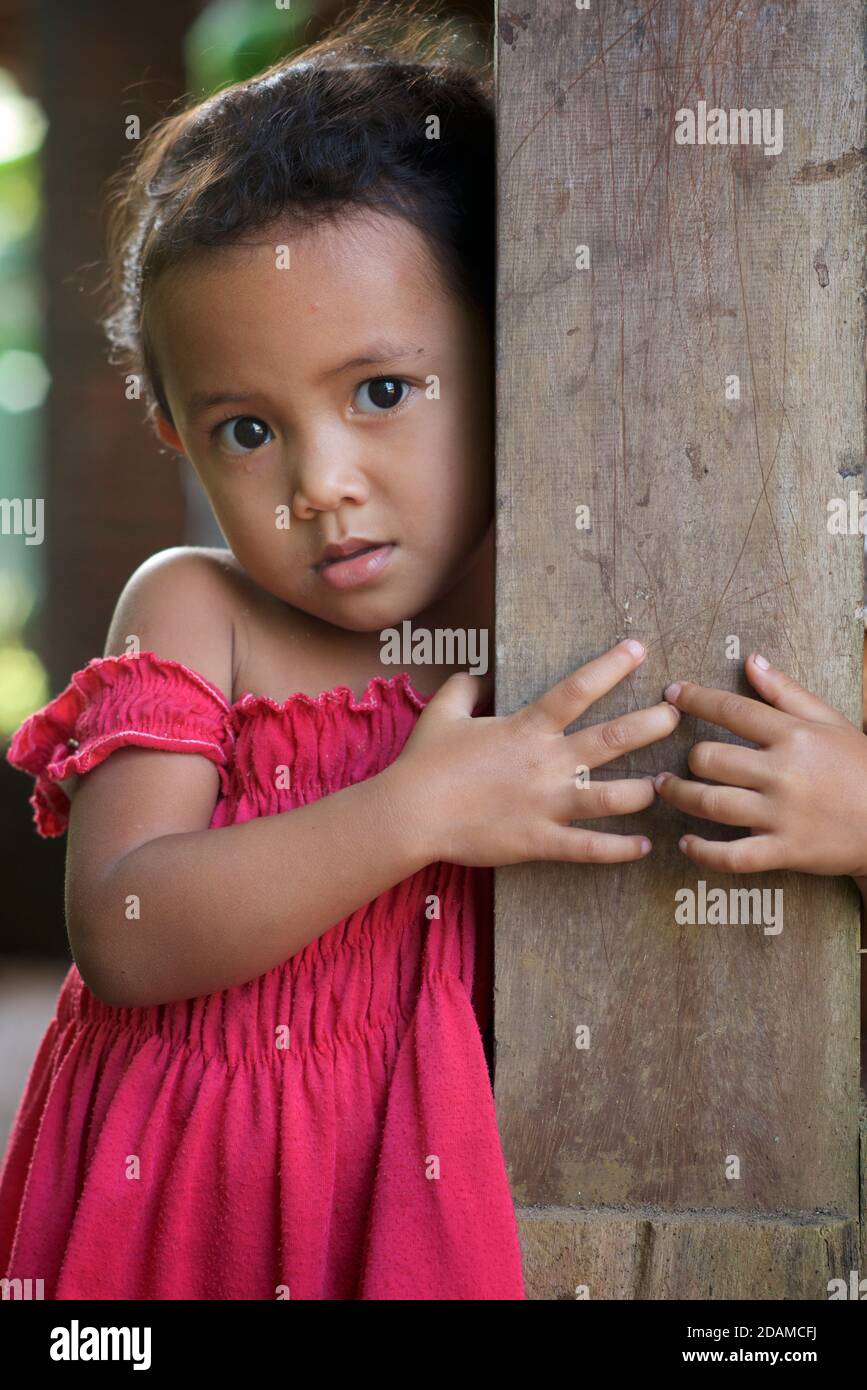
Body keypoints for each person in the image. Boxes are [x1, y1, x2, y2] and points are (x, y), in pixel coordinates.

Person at [0, 3, 677, 1299]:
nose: (322, 482)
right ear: (173, 432)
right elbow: (127, 927)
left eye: (380, 391)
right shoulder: (199, 611)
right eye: (247, 429)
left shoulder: (562, 613)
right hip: (198, 1203)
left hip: (425, 1201)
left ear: (514, 358)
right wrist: (414, 808)